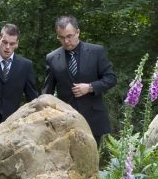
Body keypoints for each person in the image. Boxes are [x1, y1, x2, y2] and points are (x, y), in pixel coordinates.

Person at [42, 15, 117, 145]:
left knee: (91, 163)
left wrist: (90, 87)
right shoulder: (52, 58)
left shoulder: (96, 52)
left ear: (77, 32)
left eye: (69, 36)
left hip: (93, 120)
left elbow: (111, 78)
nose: (66, 41)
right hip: (65, 121)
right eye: (62, 37)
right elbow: (47, 92)